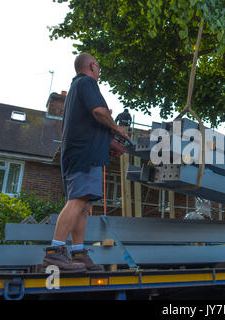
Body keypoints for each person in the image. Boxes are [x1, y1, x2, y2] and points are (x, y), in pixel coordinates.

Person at [42, 53, 131, 272]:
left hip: (83, 153)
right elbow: (99, 112)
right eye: (98, 67)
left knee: (84, 205)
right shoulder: (87, 83)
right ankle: (54, 253)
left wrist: (108, 142)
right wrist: (116, 128)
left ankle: (78, 253)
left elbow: (89, 123)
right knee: (77, 200)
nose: (98, 71)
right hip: (83, 155)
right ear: (92, 65)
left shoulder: (76, 88)